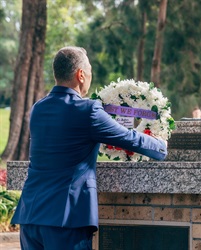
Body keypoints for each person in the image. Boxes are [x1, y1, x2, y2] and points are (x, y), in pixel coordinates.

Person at [11, 46, 167, 250]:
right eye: (90, 71)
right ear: (81, 75)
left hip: (30, 215)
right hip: (65, 218)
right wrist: (161, 145)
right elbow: (128, 138)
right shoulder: (88, 110)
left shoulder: (38, 108)